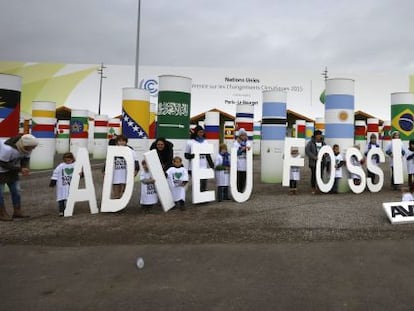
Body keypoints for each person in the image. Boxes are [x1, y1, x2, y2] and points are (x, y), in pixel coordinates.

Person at [0, 134, 38, 221]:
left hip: (12, 170)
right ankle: (2, 213)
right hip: (1, 171)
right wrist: (20, 169)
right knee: (0, 194)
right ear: (25, 145)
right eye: (32, 147)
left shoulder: (28, 149)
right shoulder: (7, 149)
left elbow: (25, 159)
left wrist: (25, 167)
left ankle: (17, 211)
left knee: (16, 191)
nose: (34, 148)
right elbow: (2, 163)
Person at [105, 134, 140, 199]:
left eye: (123, 141)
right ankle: (116, 205)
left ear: (126, 142)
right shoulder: (113, 150)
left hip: (126, 174)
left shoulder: (130, 150)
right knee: (116, 192)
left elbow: (136, 161)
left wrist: (136, 170)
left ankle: (122, 204)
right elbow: (108, 161)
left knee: (125, 192)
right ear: (117, 142)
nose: (121, 142)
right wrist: (104, 170)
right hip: (116, 174)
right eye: (120, 141)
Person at [184, 125, 214, 192]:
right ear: (196, 132)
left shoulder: (205, 142)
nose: (201, 133)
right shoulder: (190, 142)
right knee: (197, 184)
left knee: (203, 183)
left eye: (202, 132)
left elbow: (208, 155)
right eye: (199, 132)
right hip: (193, 167)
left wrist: (212, 165)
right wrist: (193, 156)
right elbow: (186, 155)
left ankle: (203, 199)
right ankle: (197, 200)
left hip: (203, 166)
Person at [49, 152, 76, 216]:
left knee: (70, 198)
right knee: (61, 198)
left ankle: (68, 210)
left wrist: (81, 174)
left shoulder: (75, 165)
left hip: (71, 185)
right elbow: (55, 172)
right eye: (66, 160)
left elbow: (79, 172)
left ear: (72, 159)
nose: (67, 162)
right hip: (62, 186)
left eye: (69, 160)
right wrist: (53, 181)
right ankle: (61, 211)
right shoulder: (61, 166)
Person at [305, 129, 327, 194]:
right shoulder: (310, 143)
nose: (319, 136)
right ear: (315, 136)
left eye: (320, 135)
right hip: (314, 163)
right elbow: (307, 151)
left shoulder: (323, 143)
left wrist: (325, 154)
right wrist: (314, 157)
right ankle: (313, 188)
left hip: (322, 162)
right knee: (314, 175)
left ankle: (320, 187)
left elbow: (326, 149)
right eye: (318, 135)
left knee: (320, 175)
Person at [233, 128, 251, 192]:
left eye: (244, 135)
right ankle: (238, 190)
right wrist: (242, 149)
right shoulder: (236, 143)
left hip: (245, 165)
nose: (243, 136)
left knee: (244, 179)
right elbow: (235, 153)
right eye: (242, 135)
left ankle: (242, 190)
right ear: (239, 136)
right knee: (238, 179)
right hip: (238, 165)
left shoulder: (247, 142)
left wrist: (246, 148)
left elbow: (249, 148)